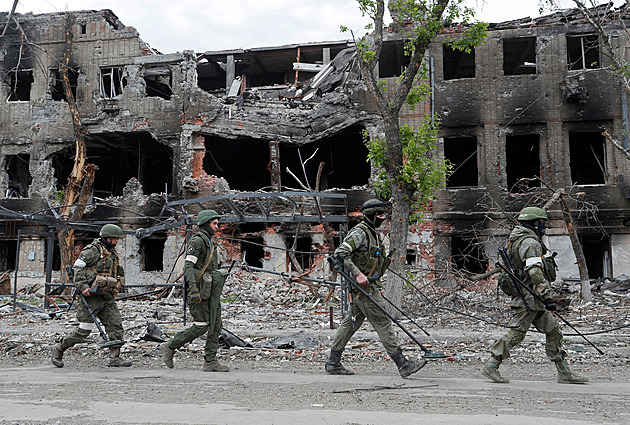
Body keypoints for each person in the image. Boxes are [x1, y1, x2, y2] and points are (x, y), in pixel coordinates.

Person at [482, 206, 588, 384]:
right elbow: (535, 272)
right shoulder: (530, 243)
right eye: (542, 222)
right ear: (534, 223)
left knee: (553, 330)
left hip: (533, 297)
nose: (544, 226)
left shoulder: (517, 239)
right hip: (529, 297)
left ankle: (564, 372)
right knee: (516, 333)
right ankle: (491, 365)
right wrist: (547, 297)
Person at [325, 198, 426, 378]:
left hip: (369, 286)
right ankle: (403, 364)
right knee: (383, 322)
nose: (382, 218)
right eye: (379, 215)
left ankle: (333, 362)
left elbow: (375, 264)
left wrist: (377, 285)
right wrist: (357, 273)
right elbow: (340, 253)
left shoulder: (373, 234)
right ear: (370, 216)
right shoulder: (360, 233)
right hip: (362, 288)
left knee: (350, 323)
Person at [51, 224, 131, 368]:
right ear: (107, 237)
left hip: (107, 296)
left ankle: (115, 357)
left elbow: (115, 270)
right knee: (84, 330)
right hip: (91, 297)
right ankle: (59, 348)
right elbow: (77, 269)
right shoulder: (91, 251)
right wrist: (83, 287)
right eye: (114, 239)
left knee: (115, 325)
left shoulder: (111, 252)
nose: (116, 241)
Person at [161, 209, 230, 372]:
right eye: (214, 223)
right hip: (199, 290)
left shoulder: (211, 242)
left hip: (211, 290)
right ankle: (170, 346)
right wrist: (193, 289)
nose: (217, 226)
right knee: (201, 325)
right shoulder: (197, 241)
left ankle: (210, 361)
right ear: (206, 224)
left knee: (215, 325)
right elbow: (188, 267)